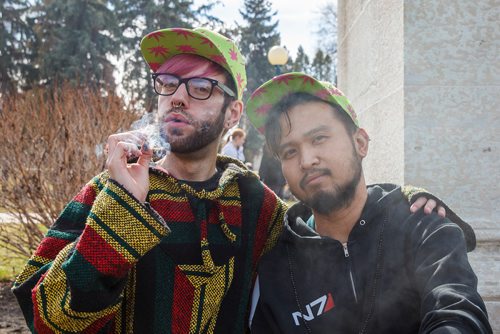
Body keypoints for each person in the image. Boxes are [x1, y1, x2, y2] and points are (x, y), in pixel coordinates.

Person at [12, 28, 453, 333]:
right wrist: (120, 214)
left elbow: (325, 217)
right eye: (167, 84)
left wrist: (402, 199)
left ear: (233, 113)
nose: (178, 97)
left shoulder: (254, 203)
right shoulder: (113, 190)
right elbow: (46, 319)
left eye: (201, 87)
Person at [245, 72, 491, 333]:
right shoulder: (275, 272)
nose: (306, 160)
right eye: (290, 151)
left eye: (319, 138)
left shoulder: (422, 226)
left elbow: (458, 314)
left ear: (360, 143)